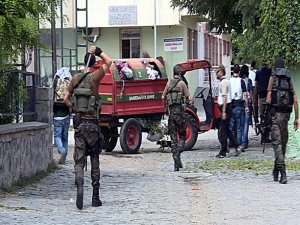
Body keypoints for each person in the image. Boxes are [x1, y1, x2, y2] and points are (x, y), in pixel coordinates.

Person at [64, 46, 112, 209]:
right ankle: (95, 197)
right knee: (95, 159)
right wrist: (98, 50)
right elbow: (109, 61)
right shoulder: (94, 77)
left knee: (79, 159)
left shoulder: (75, 78)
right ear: (93, 63)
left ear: (83, 62)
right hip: (92, 125)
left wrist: (74, 108)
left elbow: (66, 99)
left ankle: (79, 182)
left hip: (79, 125)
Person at [266, 57, 299, 184]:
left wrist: (266, 111)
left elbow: (268, 98)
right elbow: (295, 99)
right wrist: (297, 117)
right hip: (286, 116)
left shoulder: (272, 78)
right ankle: (276, 169)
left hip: (275, 116)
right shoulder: (288, 79)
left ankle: (282, 172)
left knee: (277, 144)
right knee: (283, 143)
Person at [162, 65, 192, 171]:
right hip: (180, 115)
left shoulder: (168, 83)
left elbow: (163, 96)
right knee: (183, 135)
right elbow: (189, 97)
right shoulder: (182, 83)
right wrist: (187, 103)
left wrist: (165, 109)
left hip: (171, 116)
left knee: (173, 139)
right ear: (179, 73)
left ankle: (176, 163)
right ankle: (178, 152)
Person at [215, 64, 238, 158]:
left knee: (222, 131)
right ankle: (237, 145)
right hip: (226, 107)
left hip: (226, 108)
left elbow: (224, 97)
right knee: (227, 130)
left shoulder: (224, 82)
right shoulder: (226, 81)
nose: (216, 74)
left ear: (221, 72)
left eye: (217, 72)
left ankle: (223, 151)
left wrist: (223, 111)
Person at [53, 67, 72, 164]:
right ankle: (63, 159)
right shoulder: (69, 83)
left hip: (57, 115)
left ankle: (61, 150)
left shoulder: (56, 82)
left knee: (57, 136)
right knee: (65, 137)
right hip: (67, 115)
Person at [229, 64, 249, 154]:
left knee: (230, 126)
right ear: (239, 72)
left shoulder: (229, 81)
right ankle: (239, 145)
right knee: (239, 127)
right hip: (239, 105)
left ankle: (229, 143)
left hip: (230, 105)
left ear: (233, 71)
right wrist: (247, 106)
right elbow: (245, 95)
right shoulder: (242, 81)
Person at [240, 64, 253, 150]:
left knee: (241, 123)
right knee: (246, 123)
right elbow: (251, 92)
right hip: (248, 102)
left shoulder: (239, 80)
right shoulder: (249, 81)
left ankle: (241, 141)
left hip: (241, 102)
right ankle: (245, 141)